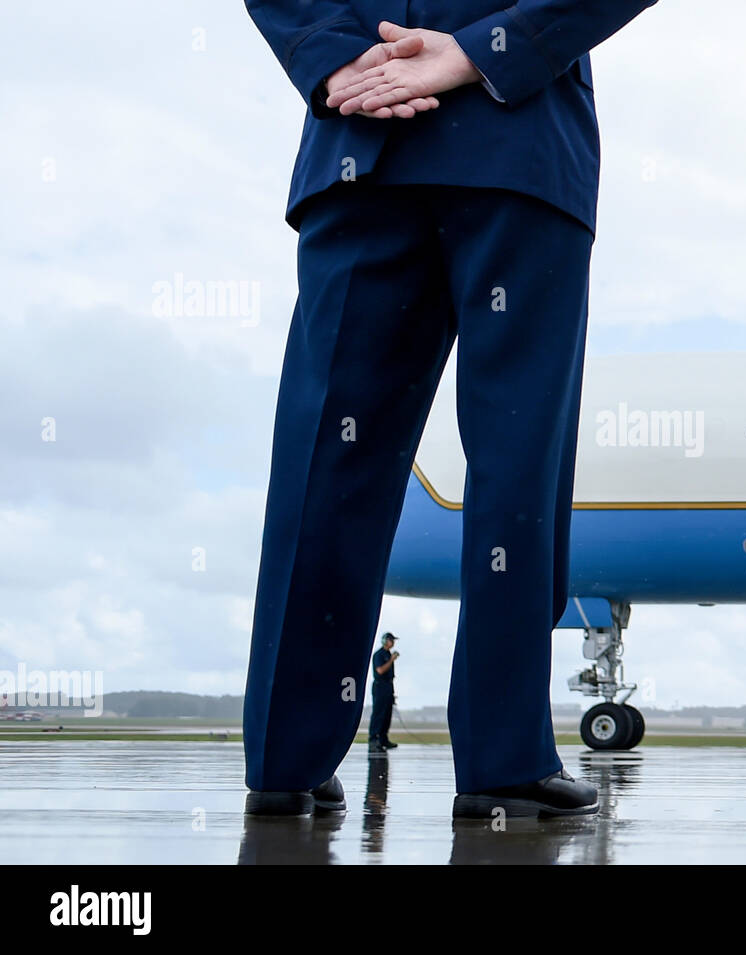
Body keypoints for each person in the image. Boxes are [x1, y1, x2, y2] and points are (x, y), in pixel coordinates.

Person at [240, 0, 658, 819]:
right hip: (519, 146)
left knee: (327, 458)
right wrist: (482, 53)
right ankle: (503, 760)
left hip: (359, 147)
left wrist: (333, 59)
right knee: (516, 465)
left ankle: (286, 758)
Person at [369, 633, 398, 752]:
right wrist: (391, 660)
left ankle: (383, 738)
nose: (393, 642)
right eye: (391, 640)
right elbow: (380, 670)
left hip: (388, 686)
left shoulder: (387, 654)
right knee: (379, 713)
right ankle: (374, 739)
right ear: (385, 641)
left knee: (387, 714)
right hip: (380, 686)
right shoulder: (379, 655)